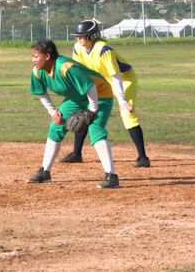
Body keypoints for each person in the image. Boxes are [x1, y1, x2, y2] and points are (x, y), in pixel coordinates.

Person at [26, 39, 119, 188]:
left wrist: (92, 110)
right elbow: (40, 93)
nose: (33, 60)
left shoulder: (66, 67)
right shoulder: (38, 71)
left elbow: (91, 87)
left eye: (36, 56)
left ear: (47, 56)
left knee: (96, 128)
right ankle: (45, 172)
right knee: (56, 125)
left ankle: (111, 176)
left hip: (100, 93)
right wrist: (52, 111)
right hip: (76, 97)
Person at [60, 20, 150, 167]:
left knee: (127, 114)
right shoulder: (77, 48)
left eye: (82, 36)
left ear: (92, 35)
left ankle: (143, 158)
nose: (78, 39)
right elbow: (79, 71)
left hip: (124, 79)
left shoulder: (103, 49)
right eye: (77, 36)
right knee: (85, 111)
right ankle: (77, 154)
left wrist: (121, 101)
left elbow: (116, 76)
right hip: (101, 81)